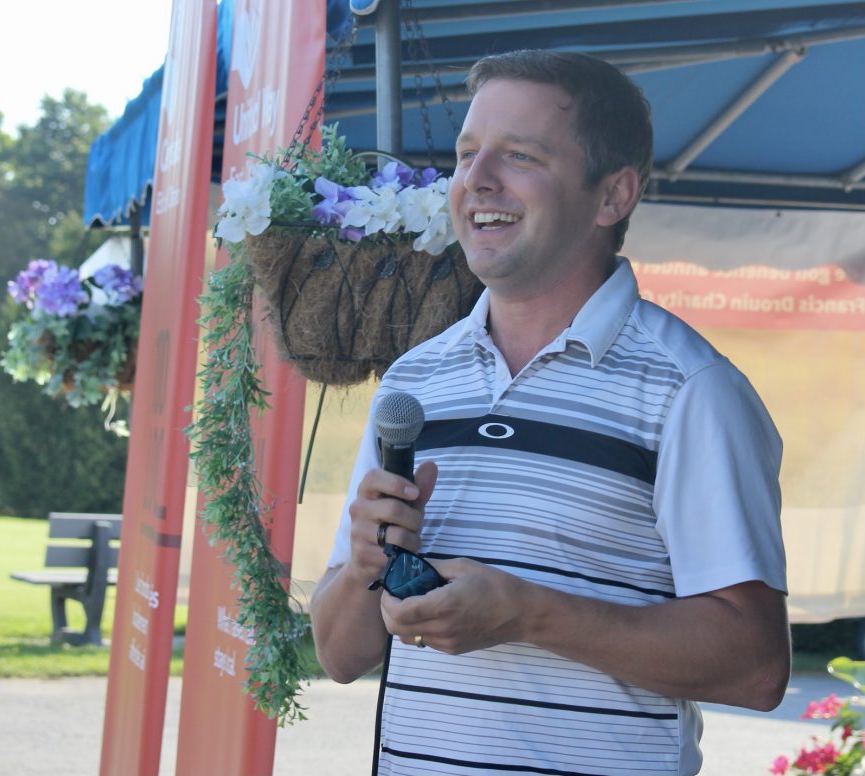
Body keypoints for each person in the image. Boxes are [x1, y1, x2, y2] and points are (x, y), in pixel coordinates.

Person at [309, 49, 789, 776]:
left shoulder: (692, 390)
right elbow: (340, 655)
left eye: (519, 155)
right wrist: (364, 567)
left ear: (612, 196)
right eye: (467, 153)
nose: (476, 179)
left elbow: (756, 668)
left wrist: (528, 612)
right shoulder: (415, 382)